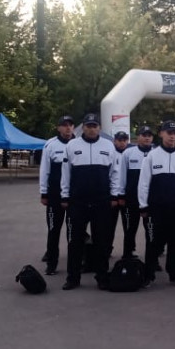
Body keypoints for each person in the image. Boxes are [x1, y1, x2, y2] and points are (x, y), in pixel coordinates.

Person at [60, 114, 120, 290]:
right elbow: (65, 173)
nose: (91, 129)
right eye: (88, 126)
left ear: (99, 128)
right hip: (78, 201)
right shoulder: (72, 145)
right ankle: (73, 278)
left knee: (101, 241)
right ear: (83, 128)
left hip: (101, 201)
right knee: (75, 241)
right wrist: (64, 196)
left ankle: (102, 277)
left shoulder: (108, 146)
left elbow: (115, 173)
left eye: (94, 126)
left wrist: (114, 195)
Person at [138, 120, 175, 287]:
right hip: (156, 209)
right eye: (169, 133)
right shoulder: (152, 156)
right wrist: (143, 205)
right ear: (161, 134)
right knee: (153, 242)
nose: (172, 136)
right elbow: (144, 182)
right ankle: (149, 275)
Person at [38, 115, 75, 275]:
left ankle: (74, 262)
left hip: (74, 197)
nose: (68, 128)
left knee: (73, 231)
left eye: (70, 125)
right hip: (54, 196)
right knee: (54, 230)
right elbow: (44, 170)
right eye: (64, 125)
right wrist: (43, 192)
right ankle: (51, 263)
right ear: (58, 128)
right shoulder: (50, 145)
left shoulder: (78, 144)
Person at [117, 126, 153, 259]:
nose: (147, 137)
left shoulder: (155, 153)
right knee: (129, 229)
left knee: (151, 230)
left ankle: (152, 259)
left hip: (150, 200)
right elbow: (122, 175)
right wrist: (121, 194)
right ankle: (127, 255)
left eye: (149, 135)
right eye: (144, 135)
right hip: (131, 199)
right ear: (138, 137)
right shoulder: (128, 153)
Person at [108, 131, 130, 251]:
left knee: (128, 227)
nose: (122, 143)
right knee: (109, 226)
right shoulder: (111, 154)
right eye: (119, 140)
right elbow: (108, 177)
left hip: (126, 198)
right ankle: (107, 249)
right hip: (113, 197)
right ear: (114, 141)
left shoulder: (130, 154)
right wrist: (112, 197)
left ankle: (128, 252)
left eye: (124, 140)